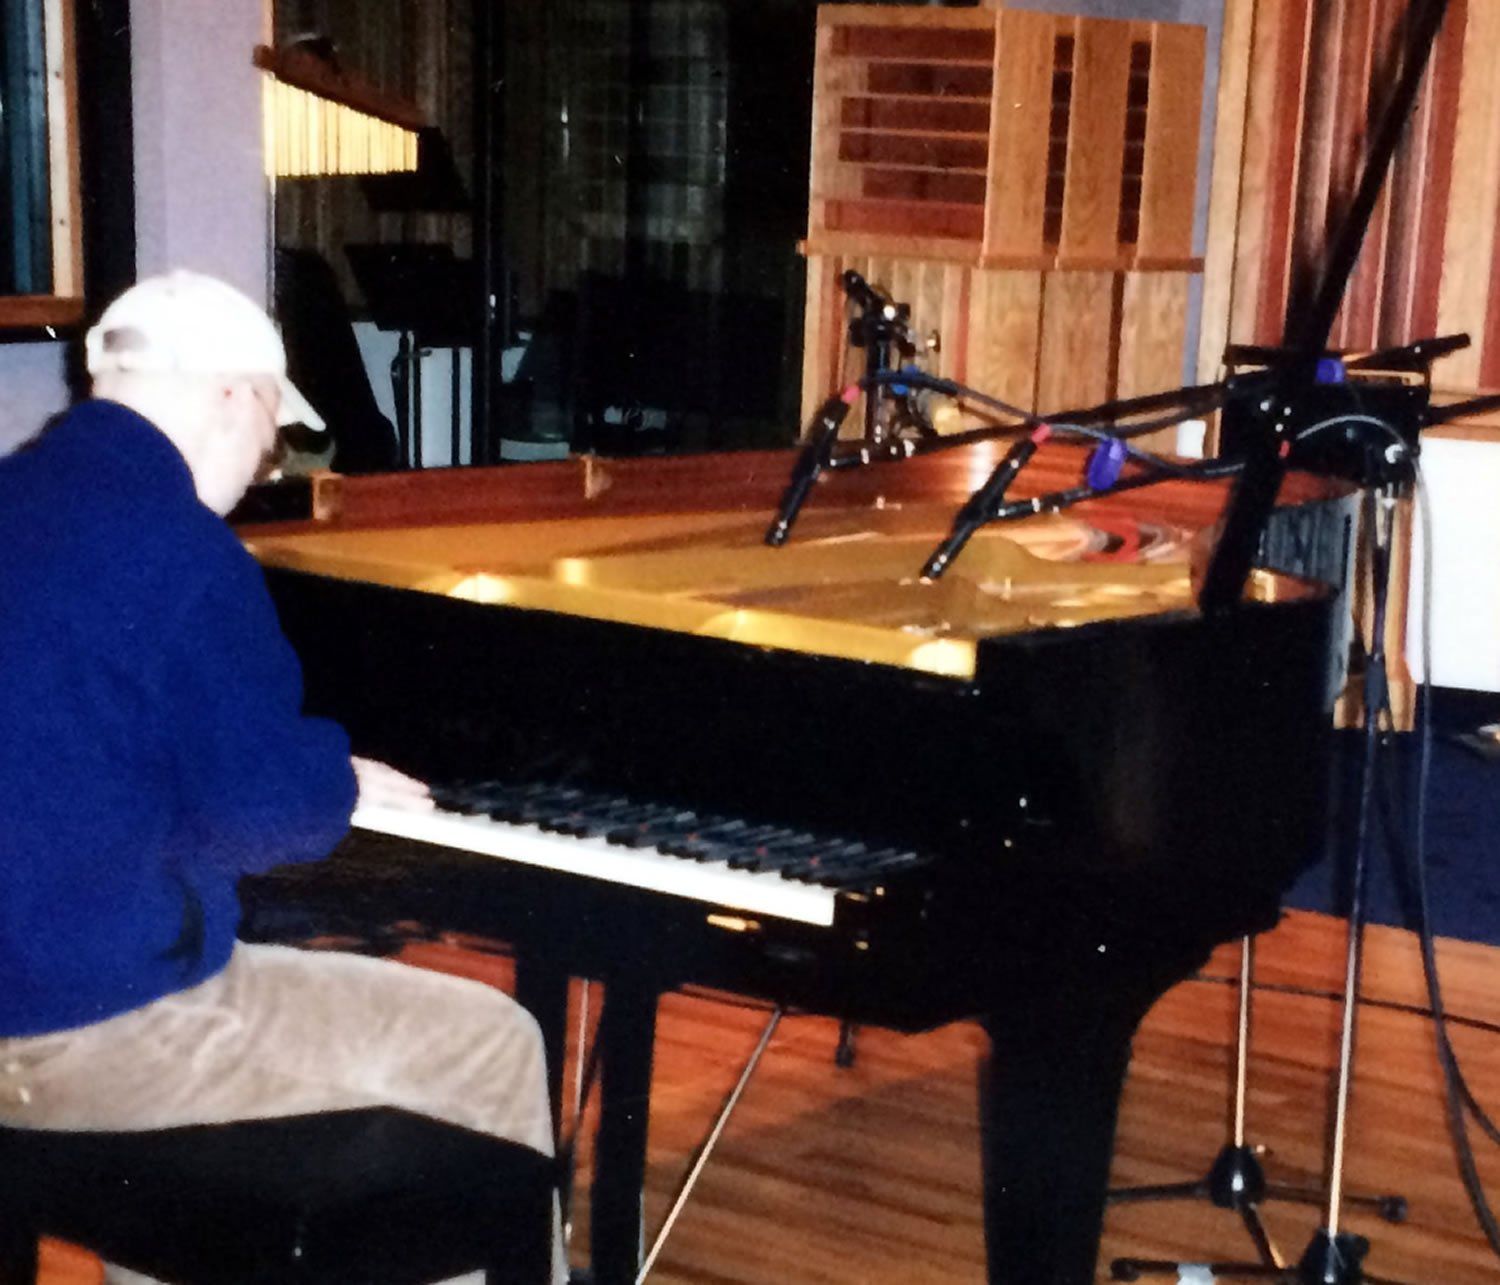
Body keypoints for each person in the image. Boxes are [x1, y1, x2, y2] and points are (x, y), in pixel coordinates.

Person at [0, 270, 563, 1284]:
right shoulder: (185, 551)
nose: (269, 453)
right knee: (493, 1041)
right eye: (271, 420)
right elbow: (268, 818)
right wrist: (329, 779)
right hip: (83, 1039)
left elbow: (81, 750)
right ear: (232, 394)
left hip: (24, 1002)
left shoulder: (16, 499)